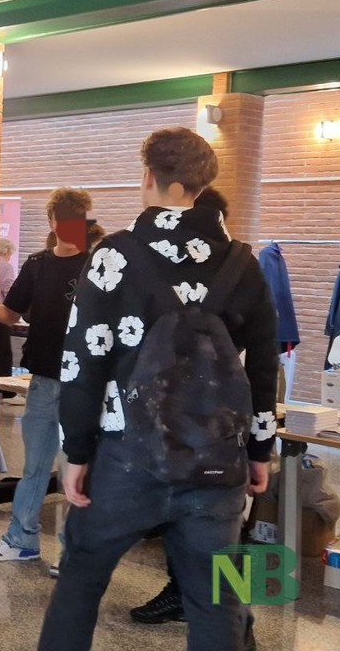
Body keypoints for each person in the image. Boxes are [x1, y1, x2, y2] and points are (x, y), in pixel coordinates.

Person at [37, 128, 277, 651]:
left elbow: (82, 360)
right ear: (203, 183)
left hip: (125, 457)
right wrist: (260, 450)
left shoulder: (114, 256)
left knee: (81, 578)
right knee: (217, 599)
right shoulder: (244, 263)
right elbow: (263, 367)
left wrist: (76, 452)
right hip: (216, 462)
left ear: (148, 176)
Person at [0, 188, 93, 564]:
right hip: (42, 380)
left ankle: (75, 552)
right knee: (35, 465)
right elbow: (11, 313)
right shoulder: (38, 264)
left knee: (78, 466)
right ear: (53, 222)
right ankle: (22, 537)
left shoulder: (97, 264)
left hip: (84, 383)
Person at [129, 184, 231, 624]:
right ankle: (218, 610)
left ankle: (219, 611)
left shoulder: (220, 272)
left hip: (205, 417)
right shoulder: (229, 267)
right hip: (206, 416)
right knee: (211, 521)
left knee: (202, 516)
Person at [0, 237, 17, 376]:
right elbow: (9, 291)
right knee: (3, 352)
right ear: (7, 251)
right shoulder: (6, 267)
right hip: (1, 314)